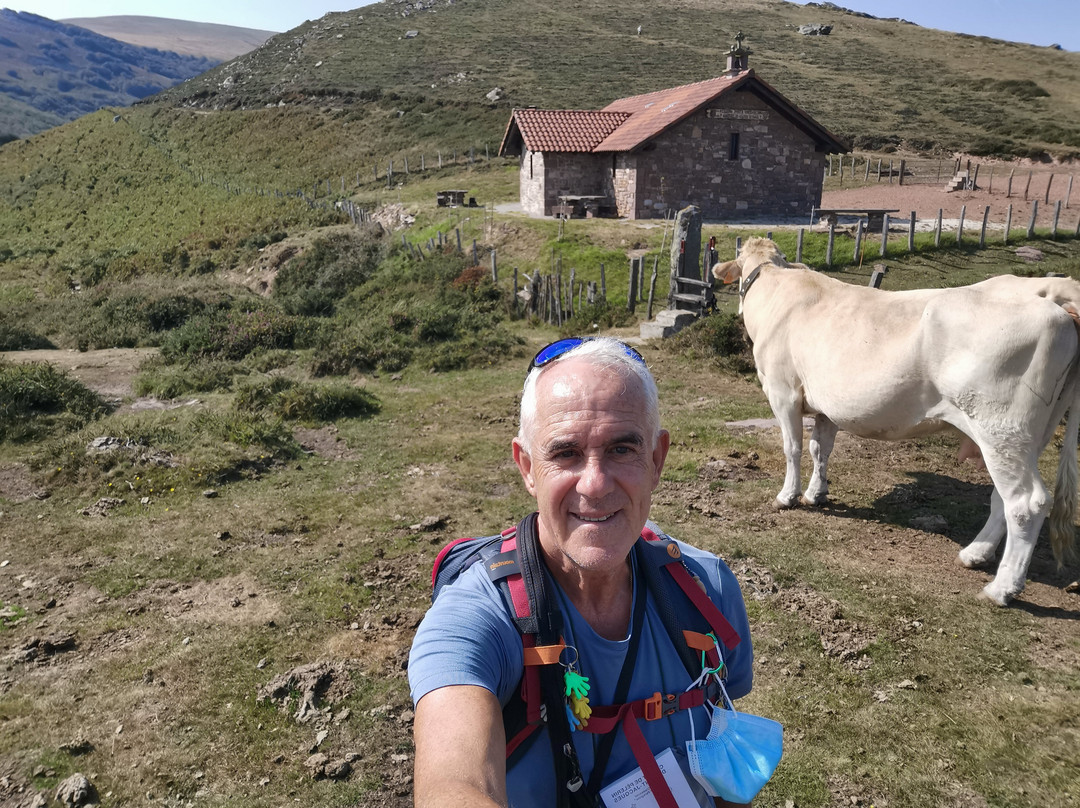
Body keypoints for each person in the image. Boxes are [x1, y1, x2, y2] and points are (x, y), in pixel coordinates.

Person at [409, 337, 754, 808]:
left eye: (621, 448)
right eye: (566, 453)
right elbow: (452, 786)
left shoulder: (705, 591)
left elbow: (724, 753)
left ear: (656, 459)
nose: (594, 484)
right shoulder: (475, 619)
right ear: (527, 468)